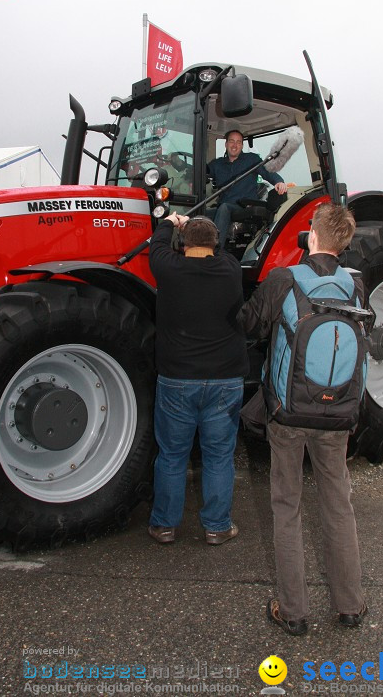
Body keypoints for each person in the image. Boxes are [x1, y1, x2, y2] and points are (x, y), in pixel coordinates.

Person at [238, 203, 367, 635]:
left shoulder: (284, 280)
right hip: (338, 416)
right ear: (343, 243)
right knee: (338, 505)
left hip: (289, 413)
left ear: (311, 235)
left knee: (286, 506)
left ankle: (293, 612)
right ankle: (350, 605)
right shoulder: (356, 286)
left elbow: (250, 326)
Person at [147, 212, 249, 545]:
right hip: (225, 380)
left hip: (177, 379)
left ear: (184, 244)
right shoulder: (230, 270)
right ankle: (217, 526)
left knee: (172, 455)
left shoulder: (168, 269)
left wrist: (171, 222)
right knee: (219, 456)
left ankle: (164, 525)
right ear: (215, 244)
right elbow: (220, 253)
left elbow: (157, 246)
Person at [207, 130, 287, 247]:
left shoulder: (251, 160)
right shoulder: (216, 164)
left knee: (224, 208)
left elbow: (267, 171)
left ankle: (215, 251)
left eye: (238, 142)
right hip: (222, 206)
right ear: (226, 144)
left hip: (243, 206)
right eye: (231, 141)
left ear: (242, 145)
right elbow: (202, 172)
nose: (235, 145)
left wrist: (278, 181)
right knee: (200, 213)